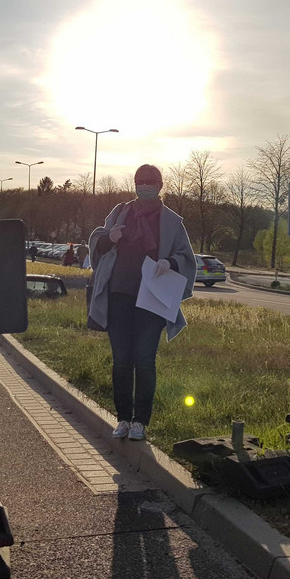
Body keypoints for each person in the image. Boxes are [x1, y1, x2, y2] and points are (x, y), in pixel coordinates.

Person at [87, 164, 196, 441]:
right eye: (139, 181)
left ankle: (141, 422)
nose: (144, 185)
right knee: (122, 361)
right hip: (119, 297)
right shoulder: (120, 212)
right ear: (134, 184)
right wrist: (108, 238)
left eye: (150, 181)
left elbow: (186, 257)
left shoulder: (172, 221)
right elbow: (97, 242)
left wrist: (169, 261)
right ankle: (123, 419)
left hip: (153, 301)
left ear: (160, 185)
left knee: (145, 361)